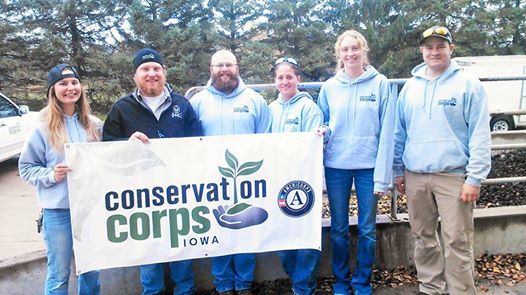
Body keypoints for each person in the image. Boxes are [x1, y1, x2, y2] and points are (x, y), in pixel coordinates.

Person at [393, 26, 491, 295]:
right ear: (421, 50)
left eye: (440, 46)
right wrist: (397, 171)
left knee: (457, 240)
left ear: (451, 48)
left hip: (454, 176)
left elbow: (480, 133)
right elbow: (399, 131)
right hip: (415, 174)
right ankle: (430, 288)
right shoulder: (410, 88)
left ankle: (461, 291)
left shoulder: (469, 84)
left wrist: (475, 178)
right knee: (423, 237)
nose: (434, 52)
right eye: (429, 47)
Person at [103, 48, 201, 295]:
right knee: (149, 260)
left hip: (180, 195)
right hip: (141, 199)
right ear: (135, 75)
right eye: (145, 69)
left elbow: (200, 145)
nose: (151, 73)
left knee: (182, 254)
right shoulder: (121, 109)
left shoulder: (182, 105)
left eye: (156, 68)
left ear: (164, 72)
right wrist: (126, 142)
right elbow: (105, 150)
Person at [315, 30, 396, 295]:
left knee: (367, 228)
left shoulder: (381, 84)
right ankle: (341, 280)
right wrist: (323, 130)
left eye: (355, 48)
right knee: (338, 227)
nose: (350, 54)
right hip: (337, 165)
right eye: (345, 49)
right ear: (339, 54)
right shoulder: (329, 87)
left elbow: (388, 131)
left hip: (368, 166)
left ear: (363, 50)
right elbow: (323, 121)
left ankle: (362, 281)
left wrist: (383, 174)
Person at [190, 49, 271, 295]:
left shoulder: (256, 101)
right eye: (219, 65)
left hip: (248, 182)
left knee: (245, 232)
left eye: (229, 64)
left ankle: (244, 283)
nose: (224, 69)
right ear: (210, 70)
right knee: (218, 231)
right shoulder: (197, 102)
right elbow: (190, 144)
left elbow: (266, 141)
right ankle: (224, 284)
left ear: (237, 68)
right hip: (211, 182)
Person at [19, 63, 101, 294]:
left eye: (74, 82)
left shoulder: (94, 125)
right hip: (58, 212)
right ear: (52, 90)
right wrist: (50, 174)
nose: (70, 88)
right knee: (58, 274)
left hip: (89, 208)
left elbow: (109, 156)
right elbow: (26, 167)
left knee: (91, 270)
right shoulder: (42, 128)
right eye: (63, 83)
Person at [269, 57, 323, 295]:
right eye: (280, 77)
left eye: (289, 76)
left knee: (305, 235)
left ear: (298, 79)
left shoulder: (309, 108)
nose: (284, 81)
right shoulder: (270, 109)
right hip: (277, 182)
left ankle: (304, 286)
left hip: (303, 183)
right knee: (283, 235)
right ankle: (295, 279)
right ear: (275, 81)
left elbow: (313, 146)